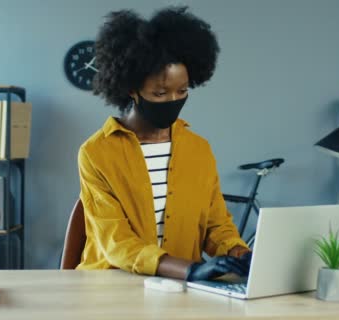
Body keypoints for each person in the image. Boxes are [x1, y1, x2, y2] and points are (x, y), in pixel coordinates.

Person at [77, 6, 251, 281]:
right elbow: (116, 242)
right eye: (160, 92)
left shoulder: (199, 149)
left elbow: (217, 226)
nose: (173, 100)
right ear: (130, 88)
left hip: (179, 288)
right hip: (113, 284)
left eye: (182, 91)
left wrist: (241, 254)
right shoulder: (96, 152)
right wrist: (191, 270)